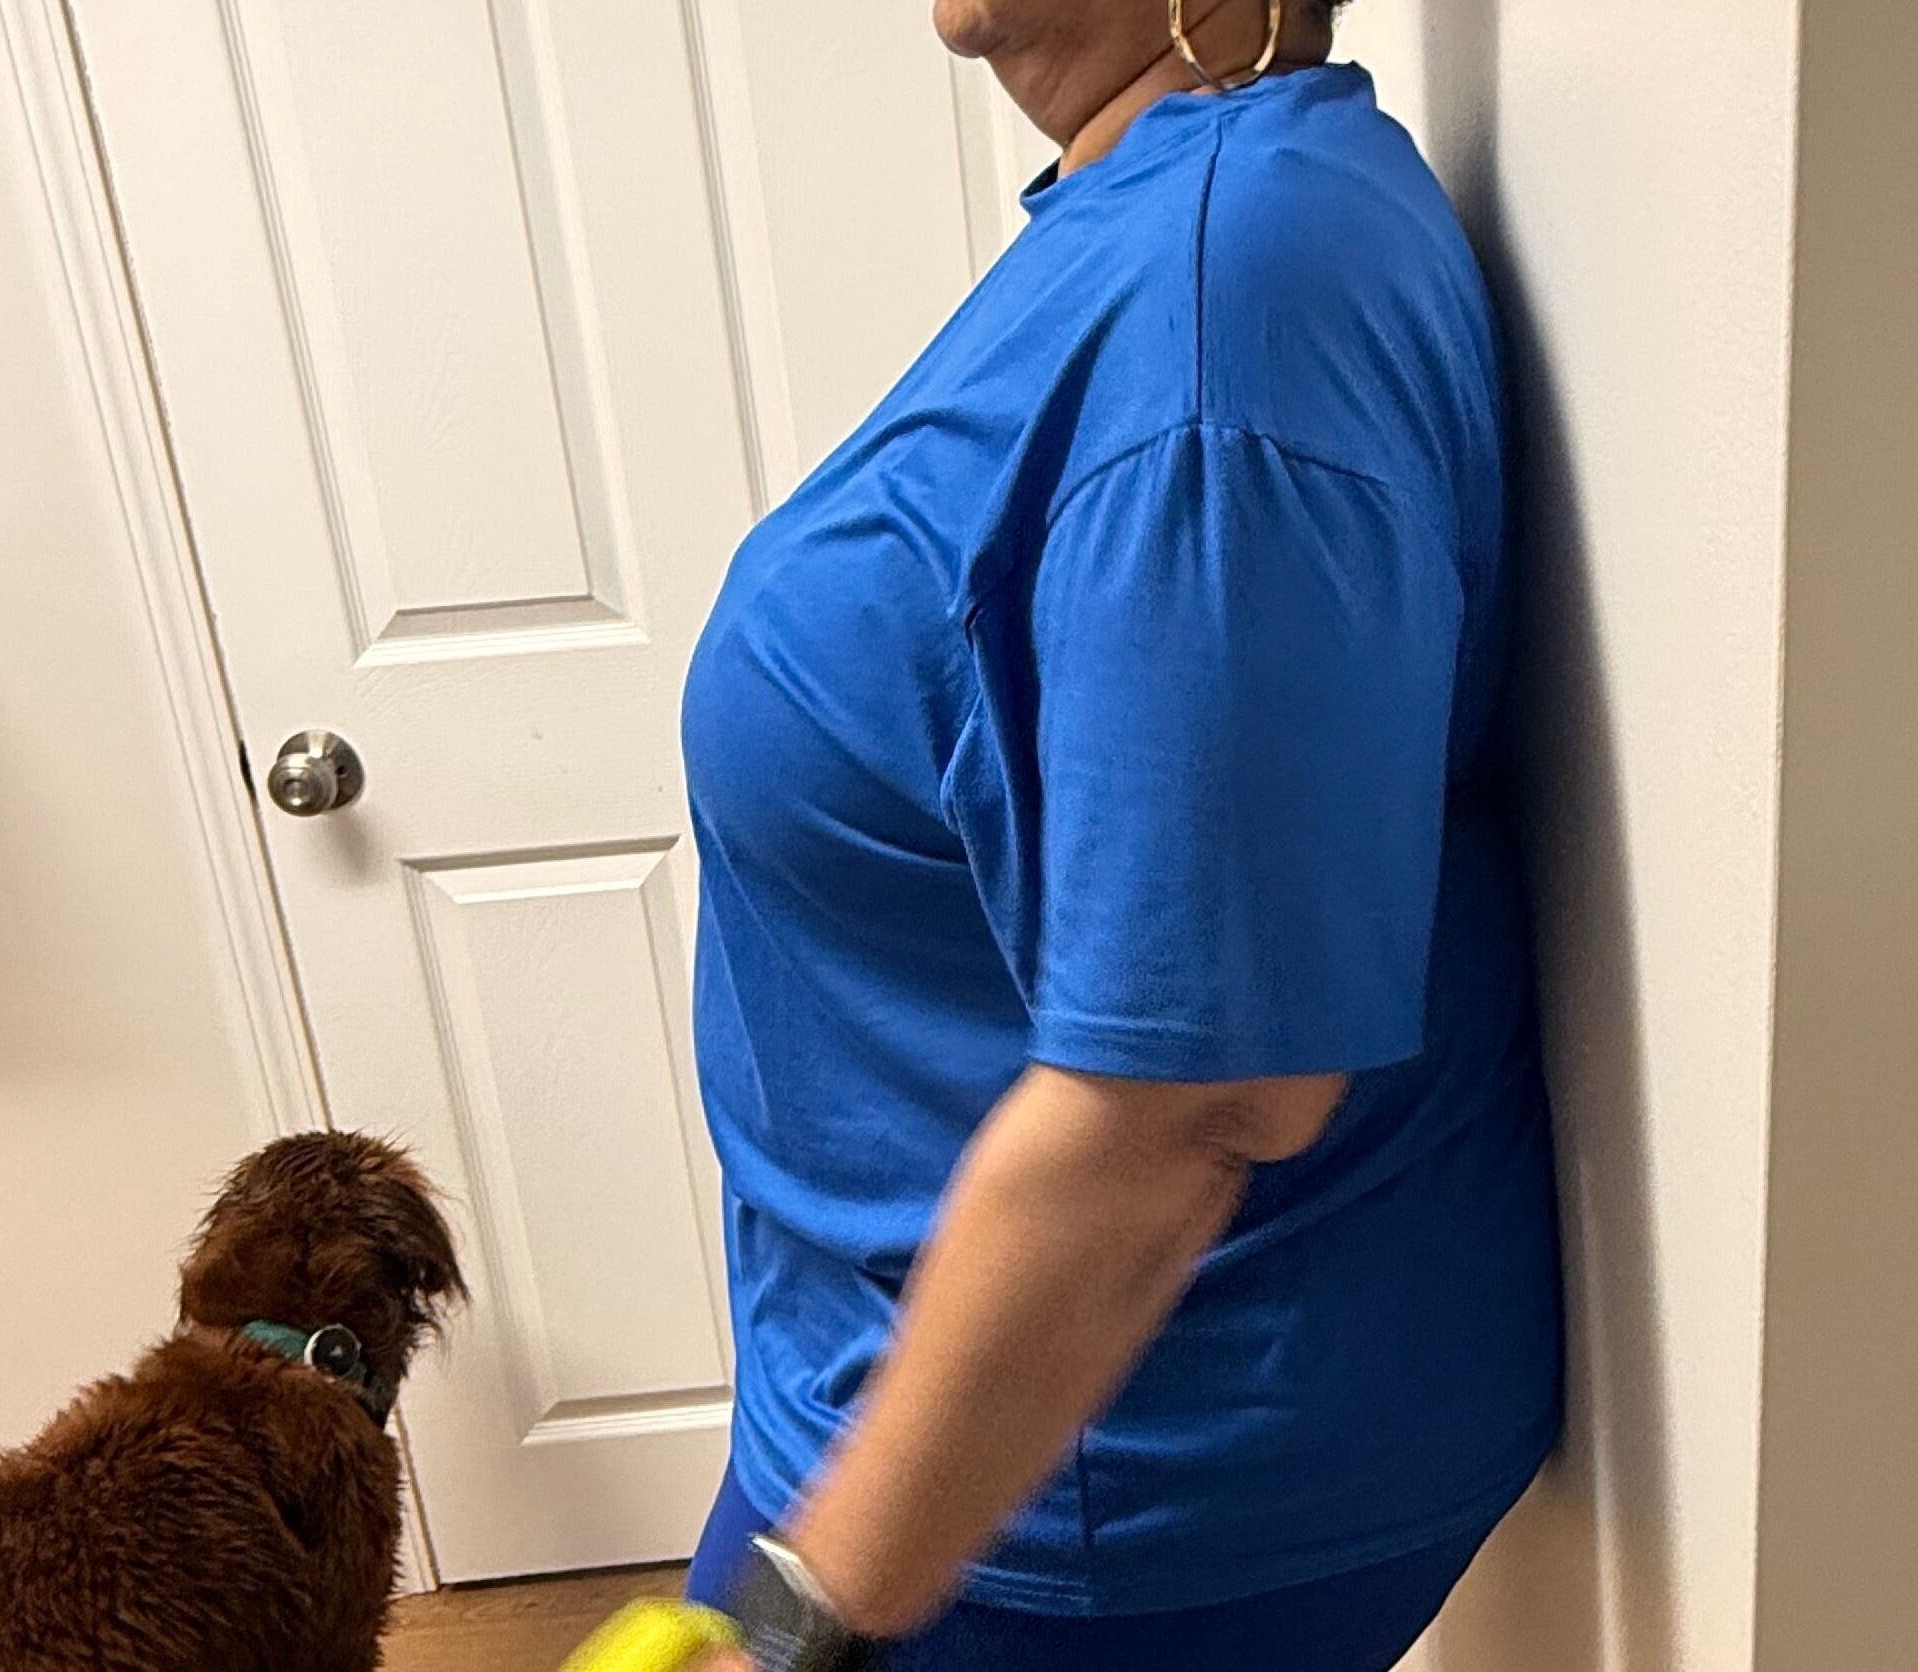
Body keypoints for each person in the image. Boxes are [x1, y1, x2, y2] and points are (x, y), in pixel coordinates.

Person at [674, 2, 1559, 1667]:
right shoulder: (1151, 222)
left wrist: (799, 1618)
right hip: (939, 1429)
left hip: (1083, 1495)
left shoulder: (1238, 297)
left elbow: (1198, 1094)